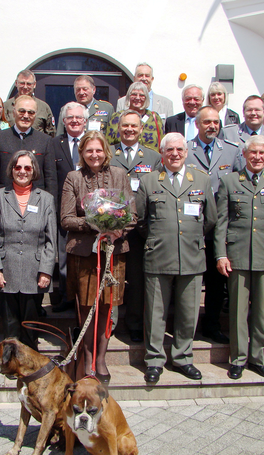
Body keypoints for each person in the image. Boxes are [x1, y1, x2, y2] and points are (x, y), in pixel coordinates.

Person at [136, 132, 217, 384]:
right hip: (158, 254)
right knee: (155, 313)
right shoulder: (149, 181)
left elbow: (211, 218)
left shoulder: (201, 180)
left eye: (179, 150)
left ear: (186, 152)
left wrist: (188, 238)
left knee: (188, 312)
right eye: (169, 150)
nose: (174, 154)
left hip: (192, 256)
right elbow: (140, 220)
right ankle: (154, 360)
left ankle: (183, 358)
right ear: (162, 153)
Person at [61, 130, 136, 383]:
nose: (94, 155)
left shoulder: (119, 175)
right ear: (82, 152)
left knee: (106, 306)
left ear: (106, 152)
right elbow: (66, 218)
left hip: (113, 252)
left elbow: (132, 215)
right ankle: (86, 355)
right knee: (85, 307)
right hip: (84, 254)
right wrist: (94, 224)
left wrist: (116, 231)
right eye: (89, 150)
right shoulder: (74, 177)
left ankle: (101, 358)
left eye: (99, 150)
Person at [214, 136, 264, 380]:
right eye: (253, 153)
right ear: (244, 155)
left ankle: (258, 357)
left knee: (261, 312)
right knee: (237, 311)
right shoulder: (230, 181)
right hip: (236, 256)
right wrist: (221, 253)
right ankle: (238, 359)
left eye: (262, 153)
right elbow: (221, 222)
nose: (257, 157)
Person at [0, 151, 56, 350]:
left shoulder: (46, 199)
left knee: (31, 327)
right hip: (5, 272)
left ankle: (31, 365)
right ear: (11, 170)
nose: (22, 172)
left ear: (34, 171)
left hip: (35, 272)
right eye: (18, 167)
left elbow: (51, 240)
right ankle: (10, 364)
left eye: (27, 168)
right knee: (9, 326)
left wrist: (46, 270)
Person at [186, 106, 240, 345]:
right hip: (192, 225)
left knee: (217, 283)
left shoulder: (231, 151)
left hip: (220, 226)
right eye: (207, 122)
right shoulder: (185, 149)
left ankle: (212, 325)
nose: (212, 126)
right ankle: (187, 326)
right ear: (197, 124)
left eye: (216, 122)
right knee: (189, 280)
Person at [109, 110, 161, 342]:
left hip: (140, 231)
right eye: (125, 126)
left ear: (141, 129)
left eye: (134, 126)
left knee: (138, 281)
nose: (129, 129)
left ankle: (135, 324)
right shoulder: (108, 153)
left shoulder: (153, 157)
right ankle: (109, 323)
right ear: (118, 129)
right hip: (113, 229)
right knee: (112, 278)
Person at [49, 102, 87, 313]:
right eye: (70, 117)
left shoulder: (93, 143)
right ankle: (66, 297)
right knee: (63, 256)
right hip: (64, 209)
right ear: (63, 121)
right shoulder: (54, 144)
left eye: (78, 117)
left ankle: (84, 297)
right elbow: (52, 178)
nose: (74, 120)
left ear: (85, 121)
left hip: (90, 211)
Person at [0, 95, 57, 198]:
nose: (26, 116)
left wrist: (51, 208)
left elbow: (51, 179)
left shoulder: (45, 141)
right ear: (14, 113)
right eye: (22, 111)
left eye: (31, 112)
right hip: (5, 198)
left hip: (36, 200)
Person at [106, 82, 164, 151]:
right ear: (128, 96)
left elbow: (163, 144)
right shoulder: (117, 117)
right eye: (134, 94)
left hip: (150, 160)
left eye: (142, 95)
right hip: (122, 159)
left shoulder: (155, 118)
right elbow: (108, 144)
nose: (137, 98)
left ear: (146, 98)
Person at [4, 70, 55, 137]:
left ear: (34, 85)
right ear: (16, 83)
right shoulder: (6, 106)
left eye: (29, 84)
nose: (25, 87)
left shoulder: (44, 107)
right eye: (22, 83)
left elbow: (51, 133)